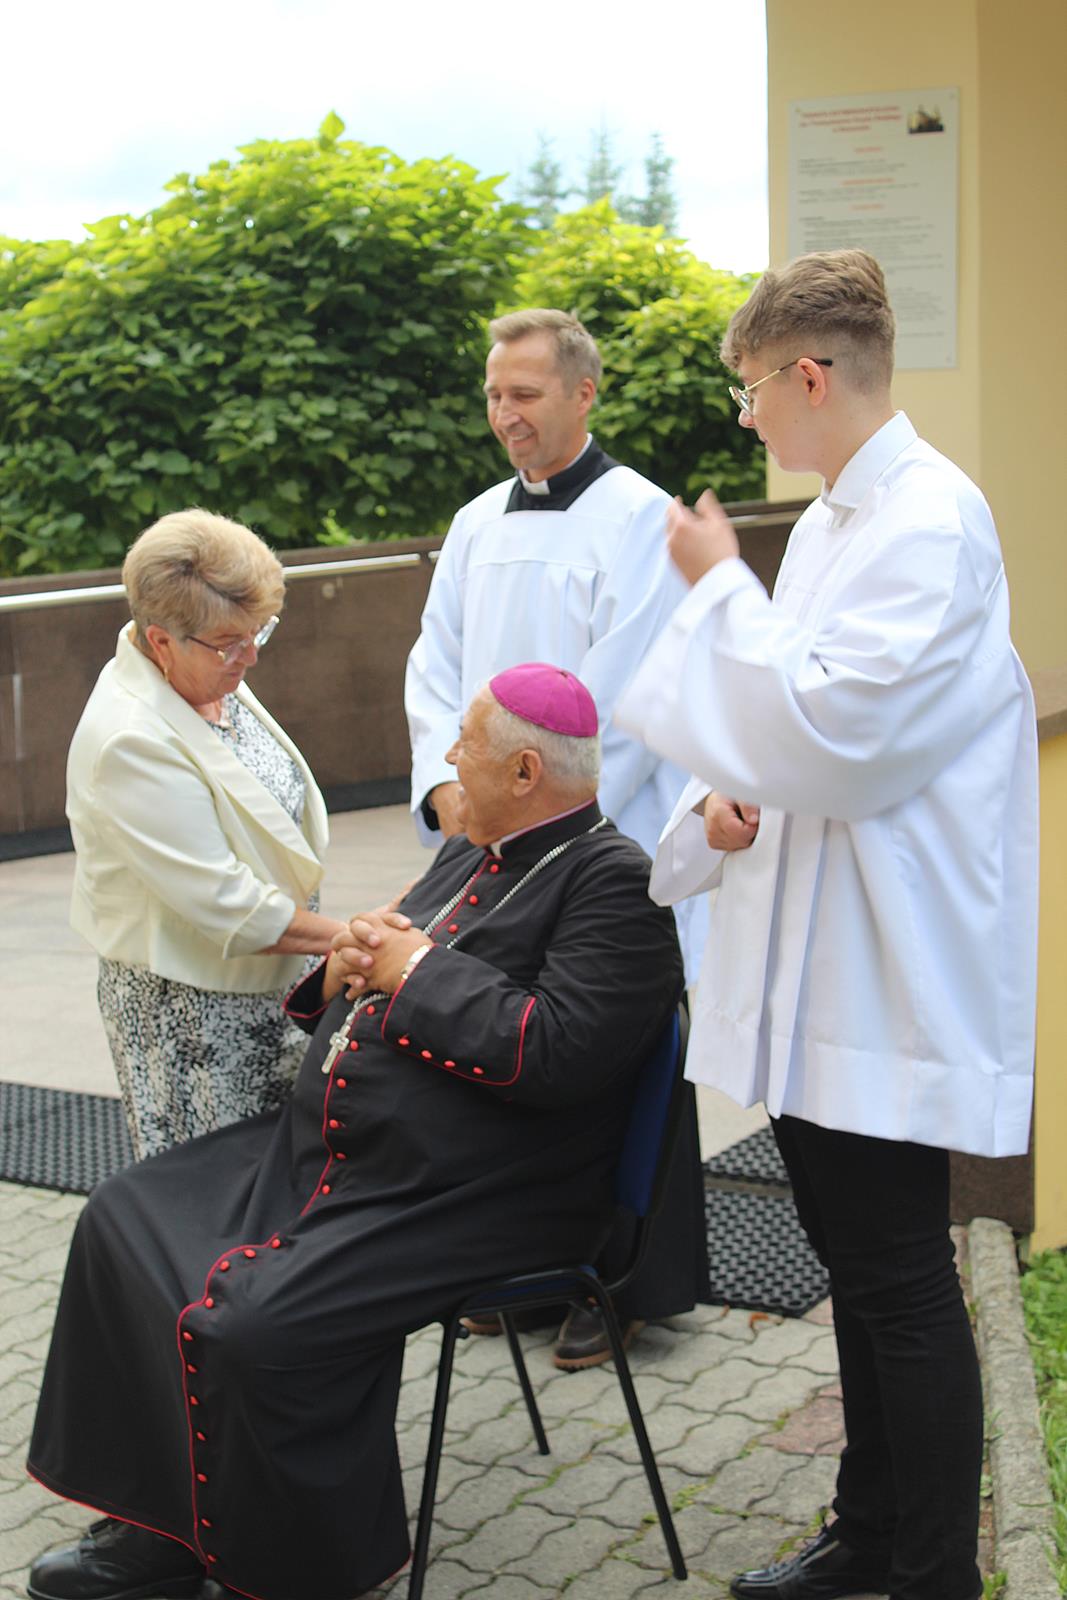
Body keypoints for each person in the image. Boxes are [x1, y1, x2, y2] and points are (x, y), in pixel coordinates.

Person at [27, 664, 685, 1600]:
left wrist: (412, 970)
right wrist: (346, 964)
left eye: (468, 744)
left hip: (475, 1191)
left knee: (253, 1325)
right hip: (348, 1154)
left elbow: (554, 1053)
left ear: (526, 771)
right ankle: (161, 1520)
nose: (449, 756)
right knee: (121, 1217)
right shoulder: (475, 844)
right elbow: (391, 961)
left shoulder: (617, 884)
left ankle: (282, 1567)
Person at [617, 249, 1037, 1600]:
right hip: (822, 955)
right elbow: (781, 717)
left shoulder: (928, 519)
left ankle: (929, 1571)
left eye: (748, 390)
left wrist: (712, 586)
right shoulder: (838, 520)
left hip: (880, 965)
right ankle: (869, 1529)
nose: (744, 416)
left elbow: (836, 731)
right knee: (857, 1273)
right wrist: (723, 797)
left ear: (808, 376)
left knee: (898, 1280)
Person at [405, 307, 710, 1367]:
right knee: (506, 1041)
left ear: (583, 393)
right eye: (494, 395)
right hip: (489, 833)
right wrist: (444, 787)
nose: (506, 415)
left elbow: (628, 690)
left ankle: (624, 1283)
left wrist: (549, 811)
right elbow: (433, 664)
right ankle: (522, 1261)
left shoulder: (642, 519)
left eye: (525, 394)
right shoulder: (475, 523)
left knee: (610, 1046)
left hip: (599, 836)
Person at [66, 508, 347, 1158]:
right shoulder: (130, 739)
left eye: (259, 632)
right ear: (160, 640)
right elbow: (225, 903)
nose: (251, 655)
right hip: (193, 1015)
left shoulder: (200, 670)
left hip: (276, 978)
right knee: (214, 1188)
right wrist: (354, 938)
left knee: (282, 1176)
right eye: (231, 643)